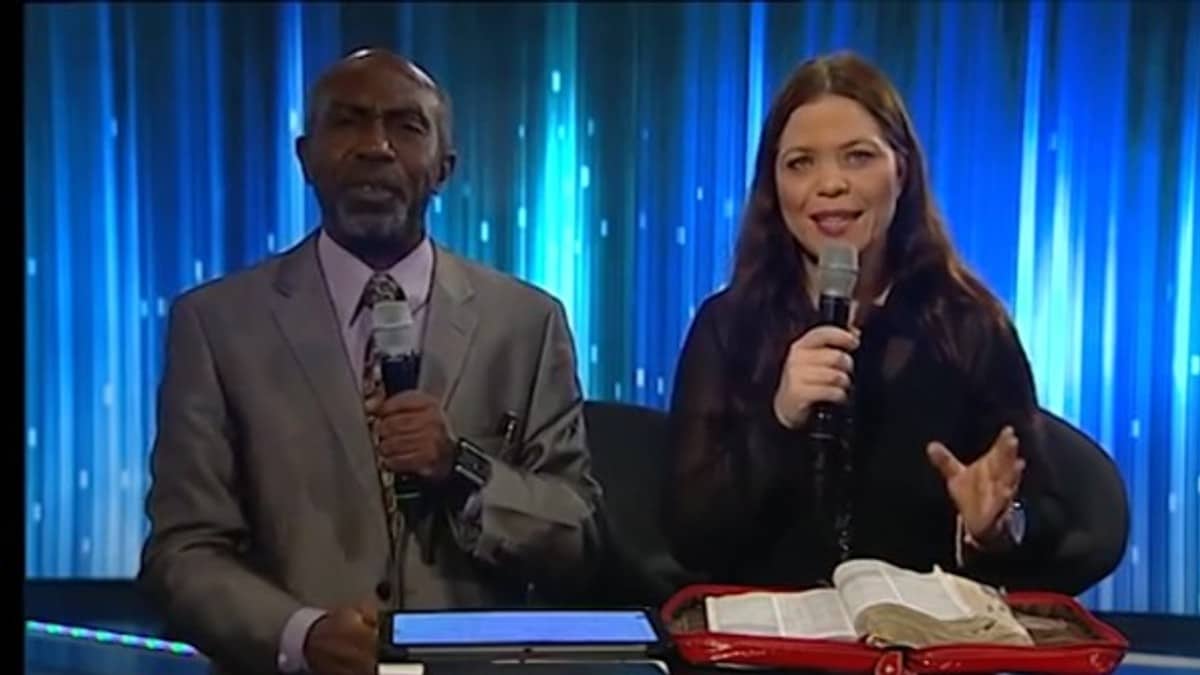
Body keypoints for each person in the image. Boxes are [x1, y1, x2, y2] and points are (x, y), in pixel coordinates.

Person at [138, 48, 603, 675]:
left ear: (444, 167)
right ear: (305, 158)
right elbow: (182, 553)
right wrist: (301, 636)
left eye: (406, 127)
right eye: (348, 122)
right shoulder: (216, 324)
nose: (375, 147)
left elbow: (577, 537)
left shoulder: (527, 323)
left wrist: (460, 468)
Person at [662, 51, 1072, 593]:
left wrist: (996, 527)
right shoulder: (727, 325)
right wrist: (778, 422)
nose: (830, 184)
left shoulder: (969, 324)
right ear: (774, 186)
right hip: (768, 629)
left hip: (918, 629)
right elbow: (689, 535)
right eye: (800, 163)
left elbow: (1048, 516)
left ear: (901, 170)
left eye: (858, 157)